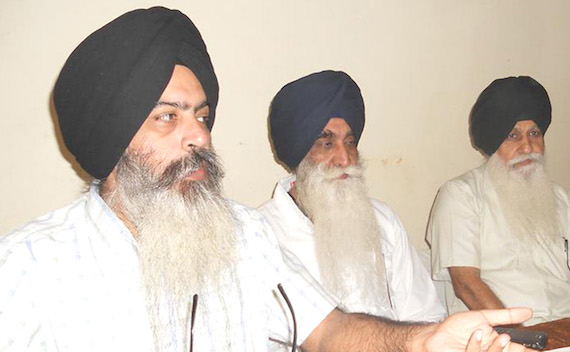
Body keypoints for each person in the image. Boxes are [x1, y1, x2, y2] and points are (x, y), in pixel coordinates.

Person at [0, 7, 531, 352]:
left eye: (202, 117)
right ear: (112, 136)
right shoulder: (29, 268)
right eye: (169, 117)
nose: (199, 138)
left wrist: (423, 341)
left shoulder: (240, 234)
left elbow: (327, 330)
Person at [258, 70, 446, 328]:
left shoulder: (382, 218)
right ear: (298, 152)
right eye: (326, 144)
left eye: (350, 142)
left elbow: (425, 314)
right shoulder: (261, 234)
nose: (345, 159)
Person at [427, 76, 570, 325]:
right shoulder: (460, 195)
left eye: (534, 133)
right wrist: (520, 337)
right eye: (513, 136)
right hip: (504, 335)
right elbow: (467, 286)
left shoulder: (559, 198)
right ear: (494, 143)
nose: (528, 147)